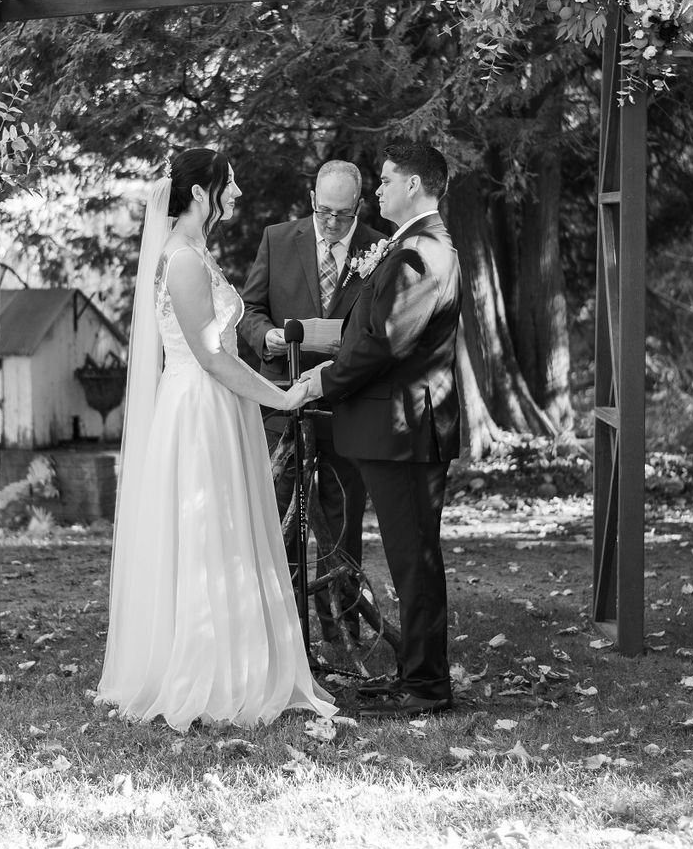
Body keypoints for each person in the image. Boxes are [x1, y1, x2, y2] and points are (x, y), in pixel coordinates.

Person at [96, 148, 336, 730]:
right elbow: (209, 356)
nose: (236, 194)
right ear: (200, 192)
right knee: (206, 535)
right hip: (200, 411)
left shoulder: (195, 253)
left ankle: (243, 661)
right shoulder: (182, 261)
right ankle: (205, 674)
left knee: (229, 532)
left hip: (218, 406)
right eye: (229, 183)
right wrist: (280, 396)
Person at [300, 137, 461, 717]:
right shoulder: (413, 244)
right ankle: (416, 675)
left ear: (413, 185)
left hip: (406, 433)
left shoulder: (423, 252)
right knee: (408, 558)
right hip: (397, 431)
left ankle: (426, 688)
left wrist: (322, 381)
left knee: (414, 561)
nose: (381, 188)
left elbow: (382, 341)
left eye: (388, 179)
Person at [240, 162, 383, 641]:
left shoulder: (381, 246)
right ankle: (282, 631)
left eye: (344, 215)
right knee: (280, 515)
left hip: (348, 401)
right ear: (311, 198)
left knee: (341, 515)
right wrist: (268, 337)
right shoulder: (279, 239)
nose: (333, 223)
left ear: (359, 207)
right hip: (282, 398)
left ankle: (341, 628)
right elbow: (249, 310)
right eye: (324, 212)